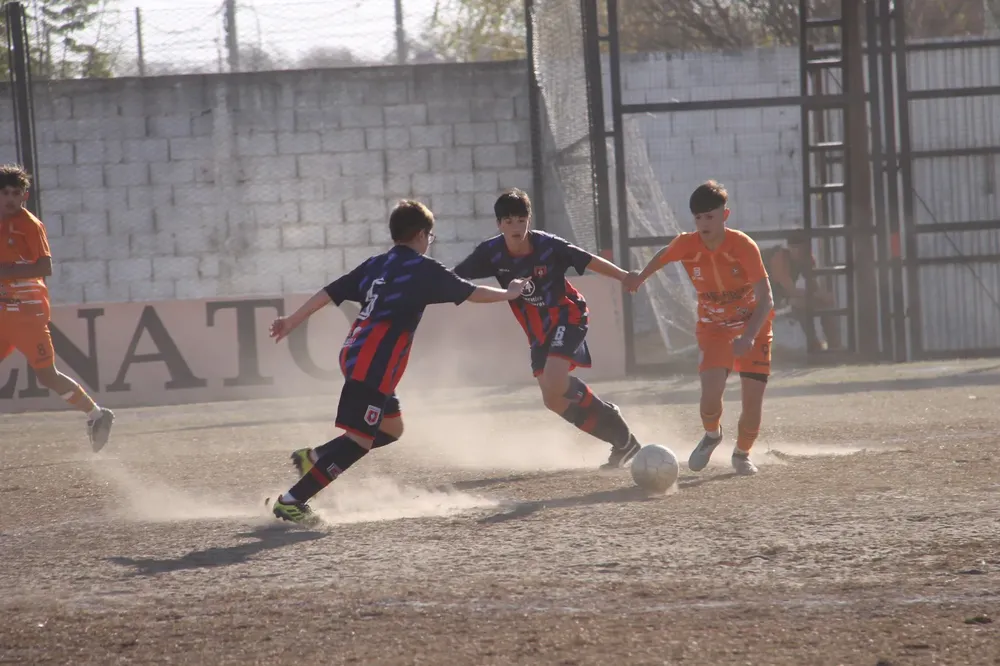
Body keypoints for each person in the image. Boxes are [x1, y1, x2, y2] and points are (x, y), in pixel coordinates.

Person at [267, 200, 526, 525]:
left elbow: (329, 292)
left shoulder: (376, 264)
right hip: (374, 361)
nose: (429, 243)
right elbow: (472, 292)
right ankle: (293, 500)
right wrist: (509, 293)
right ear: (420, 235)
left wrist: (293, 320)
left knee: (390, 429)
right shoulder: (422, 268)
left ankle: (315, 457)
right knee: (360, 441)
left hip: (359, 353)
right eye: (430, 236)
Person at [453, 188, 642, 471]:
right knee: (552, 400)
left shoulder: (549, 246)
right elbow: (455, 277)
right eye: (508, 221)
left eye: (521, 220)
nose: (516, 227)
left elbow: (588, 260)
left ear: (529, 219)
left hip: (569, 315)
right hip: (538, 331)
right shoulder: (490, 253)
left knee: (555, 380)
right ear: (499, 224)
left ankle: (615, 423)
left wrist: (624, 276)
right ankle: (622, 443)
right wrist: (423, 288)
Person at [624, 180, 774, 476]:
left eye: (710, 216)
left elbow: (766, 297)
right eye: (698, 218)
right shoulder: (686, 244)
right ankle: (712, 435)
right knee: (709, 396)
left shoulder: (742, 245)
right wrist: (640, 277)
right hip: (714, 328)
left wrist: (748, 335)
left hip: (752, 327)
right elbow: (663, 255)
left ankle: (742, 454)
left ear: (725, 215)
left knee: (752, 402)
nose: (704, 223)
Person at [0, 164, 114, 451]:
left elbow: (44, 266)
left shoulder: (29, 224)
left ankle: (97, 415)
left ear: (25, 195)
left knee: (47, 375)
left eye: (16, 192)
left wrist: (5, 272)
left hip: (27, 313)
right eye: (4, 192)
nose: (10, 198)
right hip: (3, 311)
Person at [761, 230, 841, 352]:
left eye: (801, 248)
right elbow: (790, 290)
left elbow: (813, 285)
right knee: (801, 303)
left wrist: (821, 297)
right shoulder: (779, 258)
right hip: (763, 296)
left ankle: (834, 344)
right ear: (789, 247)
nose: (798, 252)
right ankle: (814, 345)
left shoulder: (807, 259)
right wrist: (817, 295)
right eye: (795, 248)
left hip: (780, 295)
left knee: (825, 303)